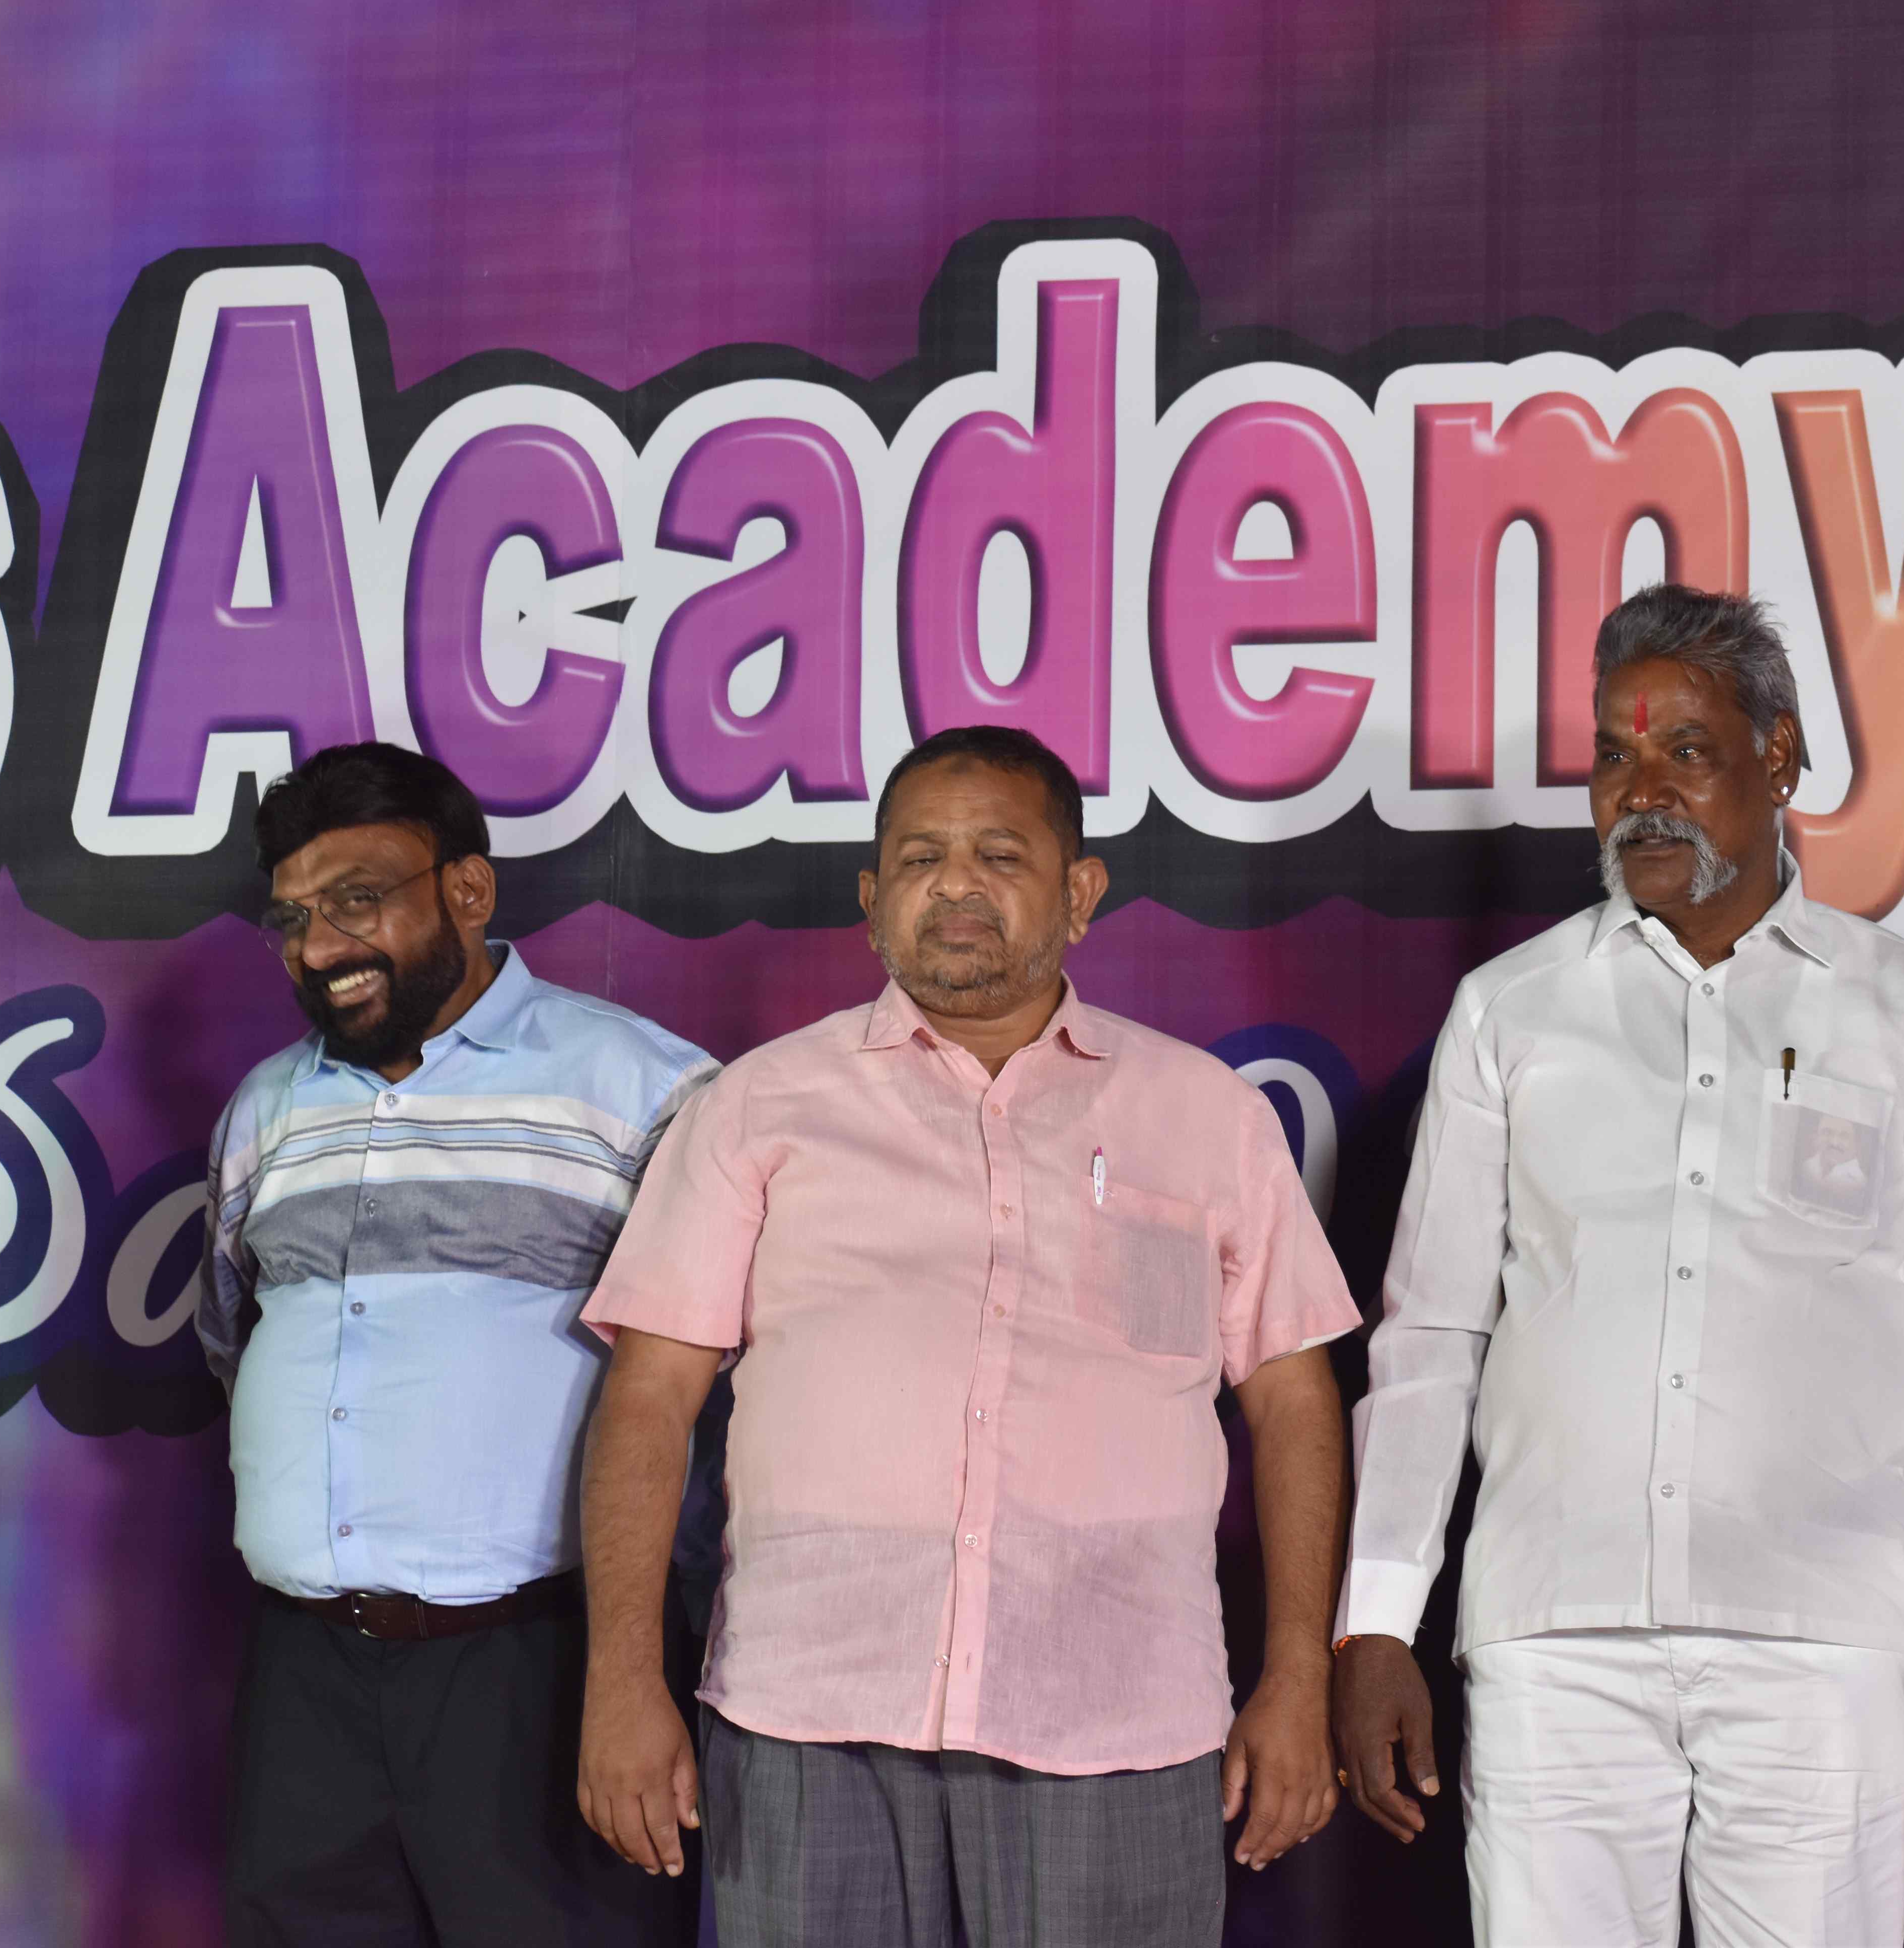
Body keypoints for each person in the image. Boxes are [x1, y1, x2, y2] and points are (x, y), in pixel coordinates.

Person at [1334, 585, 1904, 1947]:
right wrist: (1377, 1619)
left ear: (1781, 759)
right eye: (1613, 755)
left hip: (1819, 1635)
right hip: (1556, 1631)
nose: (1640, 792)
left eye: (1686, 753)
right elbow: (1429, 1340)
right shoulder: (1509, 1013)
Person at [574, 724, 1359, 1948]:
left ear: (1081, 892)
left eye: (999, 853)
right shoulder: (761, 1106)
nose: (954, 884)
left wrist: (1298, 1676)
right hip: (809, 1713)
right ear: (870, 900)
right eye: (919, 856)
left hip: (1119, 1716)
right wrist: (622, 1678)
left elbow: (1296, 1400)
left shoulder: (1205, 1115)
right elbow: (649, 1396)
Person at [199, 743, 717, 1947]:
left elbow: (724, 1403)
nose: (320, 946)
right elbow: (236, 1342)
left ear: (469, 890)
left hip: (541, 1671)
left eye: (357, 899)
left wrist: (632, 1677)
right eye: (293, 917)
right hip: (307, 1681)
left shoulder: (645, 1090)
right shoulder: (266, 1109)